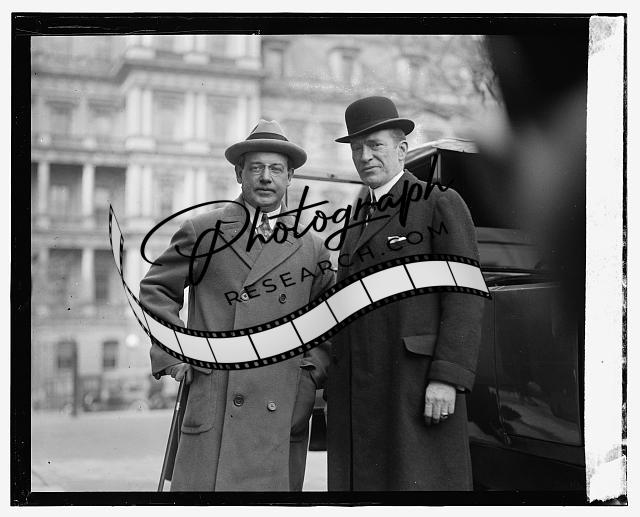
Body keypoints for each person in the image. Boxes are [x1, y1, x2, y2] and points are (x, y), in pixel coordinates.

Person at [140, 120, 333, 491]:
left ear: (290, 177)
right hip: (216, 400)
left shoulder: (312, 246)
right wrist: (176, 353)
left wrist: (309, 377)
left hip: (281, 407)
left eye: (276, 169)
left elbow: (328, 322)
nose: (266, 177)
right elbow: (155, 289)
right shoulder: (203, 230)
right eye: (256, 168)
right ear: (238, 174)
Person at [326, 96, 485, 490]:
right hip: (359, 392)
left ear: (401, 150)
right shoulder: (355, 218)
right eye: (357, 148)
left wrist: (447, 377)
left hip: (413, 386)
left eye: (375, 145)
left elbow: (464, 294)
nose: (365, 156)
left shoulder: (438, 202)